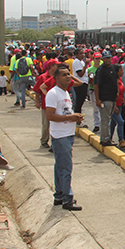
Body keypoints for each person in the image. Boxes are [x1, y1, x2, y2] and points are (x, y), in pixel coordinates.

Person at [45, 65, 84, 211]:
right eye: (63, 75)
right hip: (60, 136)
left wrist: (75, 118)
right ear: (56, 78)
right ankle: (68, 198)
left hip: (67, 134)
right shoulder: (53, 93)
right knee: (65, 168)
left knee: (59, 166)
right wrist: (71, 117)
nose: (68, 77)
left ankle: (59, 195)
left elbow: (65, 113)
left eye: (69, 74)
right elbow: (50, 116)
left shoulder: (65, 93)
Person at [95, 51, 119, 146]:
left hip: (112, 98)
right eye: (106, 58)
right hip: (104, 98)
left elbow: (116, 81)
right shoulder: (101, 70)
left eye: (109, 58)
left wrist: (117, 92)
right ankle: (104, 139)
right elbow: (96, 85)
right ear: (103, 59)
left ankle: (108, 138)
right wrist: (97, 99)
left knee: (108, 119)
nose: (108, 60)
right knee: (105, 120)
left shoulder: (113, 68)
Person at [33, 59, 59, 149]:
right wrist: (37, 102)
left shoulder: (58, 77)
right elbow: (37, 90)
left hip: (56, 105)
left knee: (55, 125)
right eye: (56, 65)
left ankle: (54, 142)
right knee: (45, 124)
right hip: (46, 105)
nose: (58, 67)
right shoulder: (43, 77)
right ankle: (44, 141)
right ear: (51, 67)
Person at [109, 65, 125, 148]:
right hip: (114, 105)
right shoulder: (113, 82)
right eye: (121, 70)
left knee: (113, 123)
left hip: (120, 104)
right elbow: (111, 94)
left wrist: (123, 98)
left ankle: (109, 138)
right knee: (121, 121)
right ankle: (121, 140)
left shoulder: (120, 79)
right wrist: (114, 107)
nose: (123, 71)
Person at [87, 53, 102, 132]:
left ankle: (101, 124)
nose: (98, 60)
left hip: (101, 90)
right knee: (95, 108)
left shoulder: (102, 68)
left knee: (102, 108)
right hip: (93, 89)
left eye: (99, 58)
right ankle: (97, 124)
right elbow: (89, 81)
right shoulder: (90, 69)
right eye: (96, 59)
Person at [72, 49, 88, 122]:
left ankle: (78, 118)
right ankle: (77, 119)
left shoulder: (81, 62)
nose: (83, 55)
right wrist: (86, 65)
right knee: (79, 102)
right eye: (81, 53)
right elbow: (80, 74)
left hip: (84, 83)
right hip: (80, 83)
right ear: (77, 54)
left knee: (81, 102)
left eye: (83, 53)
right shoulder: (77, 62)